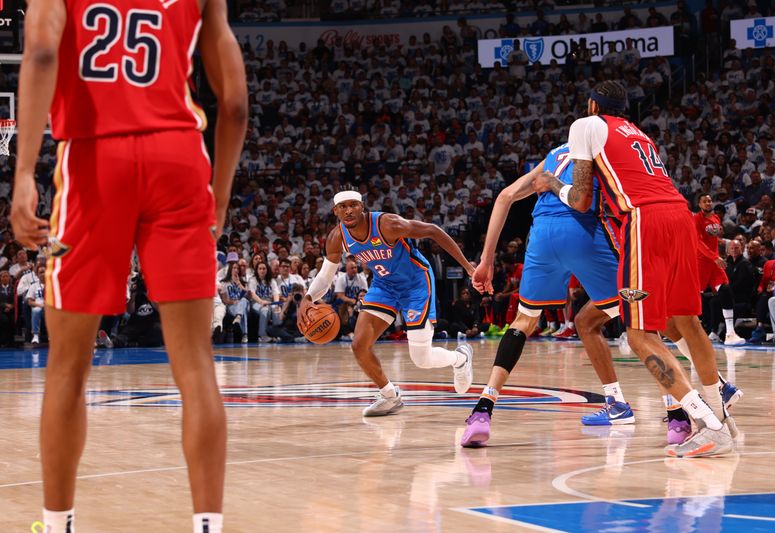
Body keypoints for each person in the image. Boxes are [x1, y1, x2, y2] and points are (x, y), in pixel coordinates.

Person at [10, 0, 247, 531]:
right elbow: (233, 105)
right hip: (179, 159)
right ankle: (208, 525)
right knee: (195, 367)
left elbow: (43, 51)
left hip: (94, 160)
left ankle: (58, 524)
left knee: (67, 367)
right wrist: (222, 196)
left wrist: (23, 172)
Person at [533, 80, 735, 458]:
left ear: (593, 104)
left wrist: (551, 184)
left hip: (646, 221)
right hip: (679, 215)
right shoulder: (639, 133)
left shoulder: (585, 125)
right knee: (688, 323)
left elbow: (579, 199)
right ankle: (722, 415)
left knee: (640, 333)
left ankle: (707, 423)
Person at [462, 143, 630, 448]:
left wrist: (486, 260)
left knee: (525, 321)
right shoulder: (602, 147)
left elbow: (504, 197)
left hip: (541, 235)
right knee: (637, 316)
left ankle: (483, 409)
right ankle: (684, 404)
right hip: (582, 231)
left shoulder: (554, 153)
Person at [299, 189, 475, 416]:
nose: (349, 210)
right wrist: (308, 298)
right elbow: (325, 276)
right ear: (336, 211)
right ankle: (390, 396)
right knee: (359, 345)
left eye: (353, 205)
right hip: (384, 285)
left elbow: (432, 231)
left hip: (415, 283)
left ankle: (460, 359)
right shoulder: (337, 237)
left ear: (362, 206)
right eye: (343, 207)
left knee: (421, 359)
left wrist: (468, 267)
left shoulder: (387, 224)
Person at [693, 194, 746, 345]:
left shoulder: (716, 218)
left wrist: (719, 249)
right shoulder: (696, 219)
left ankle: (730, 333)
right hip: (701, 262)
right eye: (705, 201)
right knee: (695, 298)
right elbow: (697, 242)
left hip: (714, 262)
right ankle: (689, 330)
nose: (708, 203)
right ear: (699, 204)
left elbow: (713, 238)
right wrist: (713, 256)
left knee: (725, 290)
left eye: (710, 200)